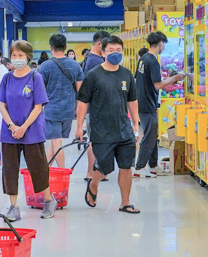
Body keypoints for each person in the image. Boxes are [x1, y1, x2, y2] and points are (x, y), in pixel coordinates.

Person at [76, 35, 141, 214]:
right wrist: (79, 126)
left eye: (118, 50)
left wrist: (136, 124)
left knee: (126, 165)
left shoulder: (126, 74)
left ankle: (125, 202)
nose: (115, 54)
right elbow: (83, 102)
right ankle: (93, 184)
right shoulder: (94, 75)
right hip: (101, 130)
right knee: (104, 168)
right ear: (103, 52)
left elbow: (132, 100)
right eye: (111, 50)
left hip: (124, 129)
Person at [0, 40, 57, 221]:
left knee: (38, 167)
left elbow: (38, 107)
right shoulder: (7, 78)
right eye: (14, 55)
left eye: (21, 55)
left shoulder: (35, 78)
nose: (17, 59)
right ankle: (13, 206)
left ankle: (48, 200)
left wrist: (23, 127)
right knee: (9, 169)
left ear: (28, 57)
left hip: (32, 132)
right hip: (10, 132)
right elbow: (2, 106)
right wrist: (12, 126)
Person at [135, 31, 185, 178]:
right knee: (149, 137)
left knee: (152, 134)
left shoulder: (144, 58)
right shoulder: (153, 61)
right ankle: (139, 168)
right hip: (148, 103)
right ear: (160, 44)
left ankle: (153, 167)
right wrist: (175, 78)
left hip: (143, 101)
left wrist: (170, 79)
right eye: (164, 44)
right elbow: (158, 85)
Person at [38, 33, 84, 168]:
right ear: (65, 47)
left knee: (56, 142)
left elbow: (40, 91)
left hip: (52, 110)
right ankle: (45, 171)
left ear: (50, 47)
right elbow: (81, 92)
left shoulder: (45, 66)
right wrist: (77, 109)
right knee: (54, 142)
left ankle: (63, 173)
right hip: (68, 110)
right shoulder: (76, 65)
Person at [81, 30, 111, 180]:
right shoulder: (97, 62)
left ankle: (95, 172)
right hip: (98, 108)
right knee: (96, 141)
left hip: (95, 107)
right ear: (100, 44)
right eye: (108, 47)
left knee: (97, 140)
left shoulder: (90, 58)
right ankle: (92, 173)